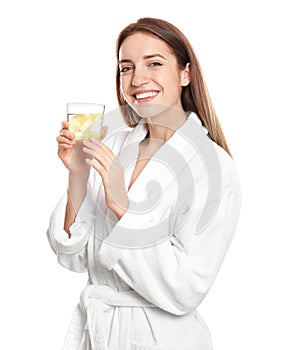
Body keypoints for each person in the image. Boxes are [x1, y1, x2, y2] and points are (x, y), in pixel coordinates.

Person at [47, 17, 242, 350]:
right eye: (126, 68)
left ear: (185, 73)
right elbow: (74, 257)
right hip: (97, 335)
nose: (137, 79)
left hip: (161, 340)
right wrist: (78, 175)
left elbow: (186, 288)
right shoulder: (114, 145)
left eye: (154, 63)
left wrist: (122, 206)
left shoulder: (212, 167)